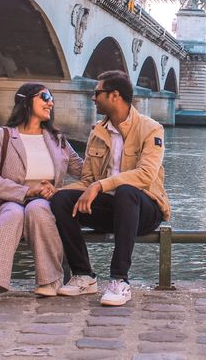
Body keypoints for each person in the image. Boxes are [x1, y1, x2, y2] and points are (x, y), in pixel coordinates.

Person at [0, 82, 83, 310]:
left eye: (51, 98)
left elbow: (85, 172)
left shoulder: (57, 139)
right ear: (26, 100)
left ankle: (50, 280)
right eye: (45, 96)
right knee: (14, 214)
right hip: (7, 201)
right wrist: (26, 191)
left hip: (46, 204)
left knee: (37, 208)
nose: (51, 102)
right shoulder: (2, 135)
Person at [51, 70, 170, 306]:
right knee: (61, 201)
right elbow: (87, 180)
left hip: (145, 208)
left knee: (126, 191)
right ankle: (83, 275)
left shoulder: (151, 129)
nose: (93, 98)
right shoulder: (98, 132)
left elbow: (146, 175)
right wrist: (59, 192)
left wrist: (100, 185)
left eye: (98, 93)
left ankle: (119, 280)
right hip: (112, 209)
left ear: (114, 95)